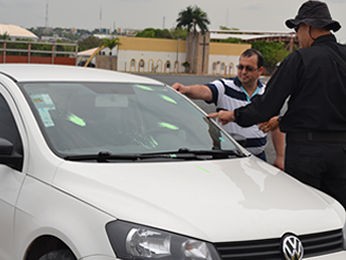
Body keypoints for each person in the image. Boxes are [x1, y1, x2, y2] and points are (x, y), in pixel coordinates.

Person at [208, 1, 346, 208]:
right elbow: (324, 105)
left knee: (305, 212)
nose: (297, 37)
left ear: (307, 27)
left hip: (306, 153)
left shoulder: (300, 59)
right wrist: (282, 120)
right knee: (339, 214)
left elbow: (266, 106)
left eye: (297, 30)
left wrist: (235, 115)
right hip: (342, 153)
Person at [172, 48, 285, 170]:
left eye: (249, 68)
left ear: (260, 71)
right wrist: (186, 89)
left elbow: (276, 125)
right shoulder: (225, 87)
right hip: (228, 158)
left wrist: (280, 156)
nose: (243, 72)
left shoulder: (267, 93)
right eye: (240, 67)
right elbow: (205, 91)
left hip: (258, 158)